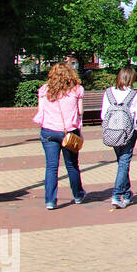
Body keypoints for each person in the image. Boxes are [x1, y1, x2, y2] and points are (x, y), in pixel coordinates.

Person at [32, 62, 86, 210]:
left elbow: (40, 111)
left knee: (51, 166)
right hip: (68, 131)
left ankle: (50, 200)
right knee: (72, 165)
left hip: (48, 131)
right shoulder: (77, 90)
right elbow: (80, 112)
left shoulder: (44, 90)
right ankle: (78, 195)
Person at [102, 66, 137, 208]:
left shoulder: (109, 92)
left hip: (112, 132)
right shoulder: (135, 94)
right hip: (128, 133)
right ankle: (116, 194)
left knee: (121, 162)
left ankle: (126, 194)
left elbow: (103, 115)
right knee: (124, 163)